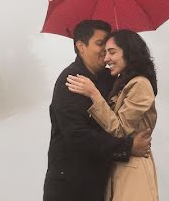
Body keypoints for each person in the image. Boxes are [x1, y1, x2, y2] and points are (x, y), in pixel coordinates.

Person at [43, 20, 152, 201]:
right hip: (70, 187)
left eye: (108, 45)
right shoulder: (71, 81)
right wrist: (127, 147)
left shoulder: (108, 78)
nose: (105, 51)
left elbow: (119, 119)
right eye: (100, 44)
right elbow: (77, 135)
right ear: (81, 46)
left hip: (98, 184)